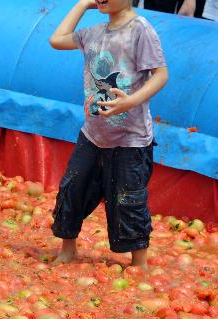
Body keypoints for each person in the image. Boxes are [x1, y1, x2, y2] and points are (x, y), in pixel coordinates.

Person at [49, 0, 168, 268]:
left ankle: (139, 262)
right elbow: (56, 40)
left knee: (128, 198)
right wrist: (82, 5)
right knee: (73, 188)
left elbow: (160, 74)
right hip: (92, 134)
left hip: (131, 138)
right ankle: (68, 249)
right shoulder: (93, 33)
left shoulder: (140, 30)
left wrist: (130, 101)